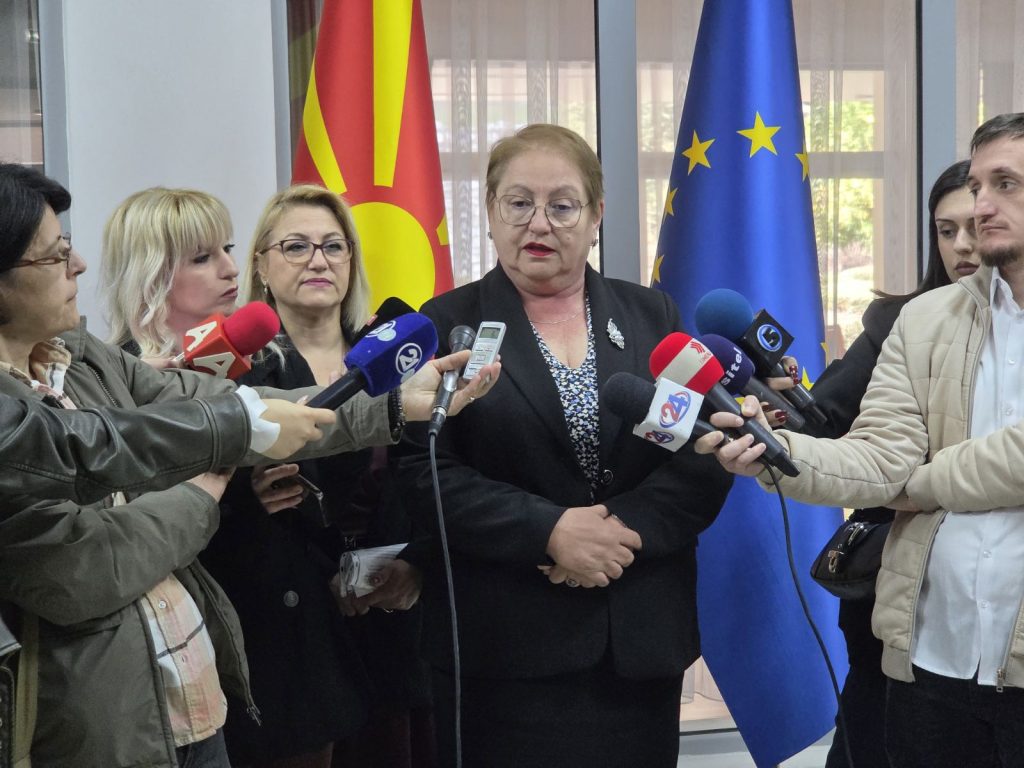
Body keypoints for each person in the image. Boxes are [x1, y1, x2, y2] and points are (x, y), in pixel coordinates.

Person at [0, 164, 496, 768]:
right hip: (102, 726)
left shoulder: (83, 357)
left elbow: (229, 408)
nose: (78, 265)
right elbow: (87, 568)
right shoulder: (13, 412)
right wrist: (212, 480)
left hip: (194, 700)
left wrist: (395, 403)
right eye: (55, 255)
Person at [395, 124, 732, 768]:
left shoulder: (652, 316)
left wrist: (617, 530)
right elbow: (422, 471)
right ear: (490, 212)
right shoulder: (445, 323)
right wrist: (550, 531)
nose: (539, 224)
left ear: (596, 216)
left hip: (637, 642)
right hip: (503, 651)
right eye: (519, 203)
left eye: (562, 205)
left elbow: (701, 455)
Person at [695, 113, 1024, 767]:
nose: (982, 205)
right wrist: (772, 451)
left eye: (1006, 184)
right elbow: (878, 456)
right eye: (977, 185)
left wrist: (921, 485)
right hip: (931, 665)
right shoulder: (924, 318)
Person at [203, 184, 432, 768]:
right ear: (261, 264)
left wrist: (417, 564)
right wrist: (251, 500)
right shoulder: (236, 373)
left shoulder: (396, 355)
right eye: (297, 246)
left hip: (390, 615)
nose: (318, 261)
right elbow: (207, 515)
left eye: (333, 246)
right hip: (290, 632)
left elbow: (431, 479)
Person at [795, 160, 976, 768]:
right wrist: (779, 417)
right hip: (892, 584)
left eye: (974, 227)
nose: (962, 245)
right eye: (945, 231)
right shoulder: (900, 320)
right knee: (870, 743)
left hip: (992, 594)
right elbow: (824, 423)